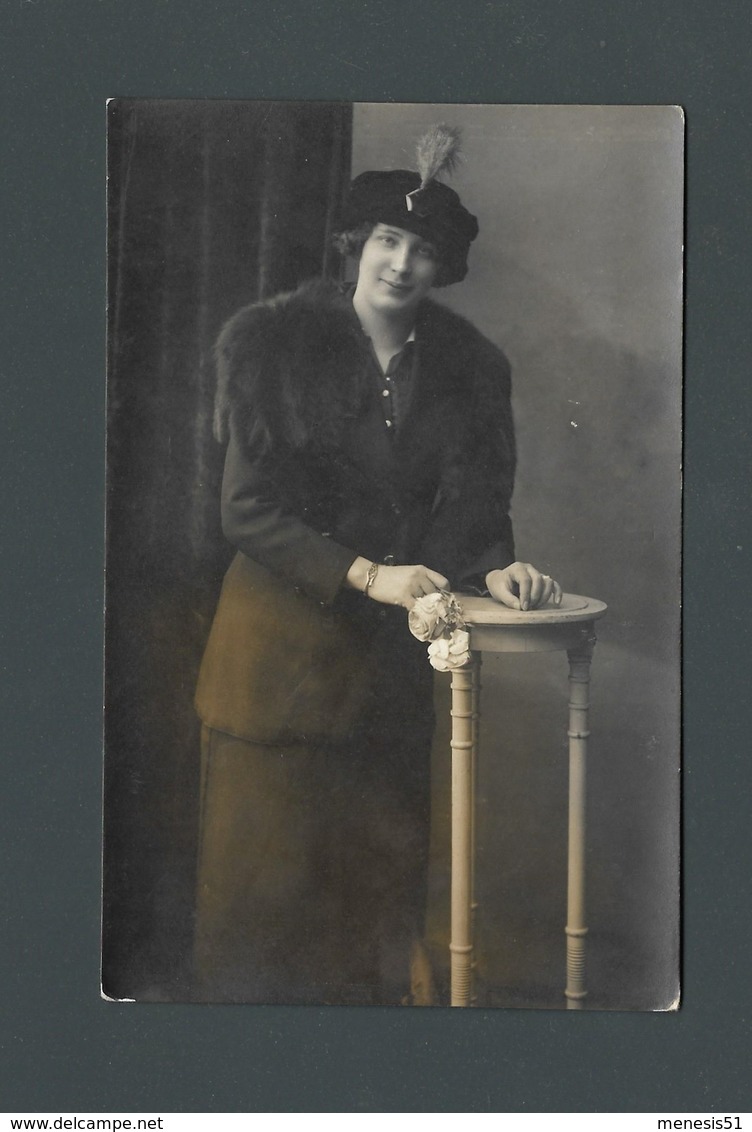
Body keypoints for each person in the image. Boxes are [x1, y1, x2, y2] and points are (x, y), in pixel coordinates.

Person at [193, 126, 561, 1005]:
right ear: (357, 246)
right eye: (389, 242)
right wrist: (367, 574)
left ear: (443, 268)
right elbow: (246, 511)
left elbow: (474, 506)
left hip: (384, 687)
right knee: (259, 924)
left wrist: (495, 568)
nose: (400, 265)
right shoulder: (274, 345)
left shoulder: (471, 370)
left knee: (367, 922)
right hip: (274, 675)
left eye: (423, 250)